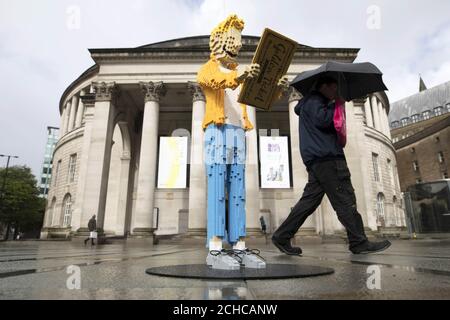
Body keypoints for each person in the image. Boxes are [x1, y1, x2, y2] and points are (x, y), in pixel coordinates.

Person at [272, 76, 391, 255]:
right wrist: (337, 103)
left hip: (319, 159)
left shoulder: (309, 104)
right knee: (345, 199)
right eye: (334, 88)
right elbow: (325, 121)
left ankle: (282, 235)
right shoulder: (315, 102)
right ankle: (359, 242)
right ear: (324, 86)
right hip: (327, 158)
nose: (336, 92)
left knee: (309, 202)